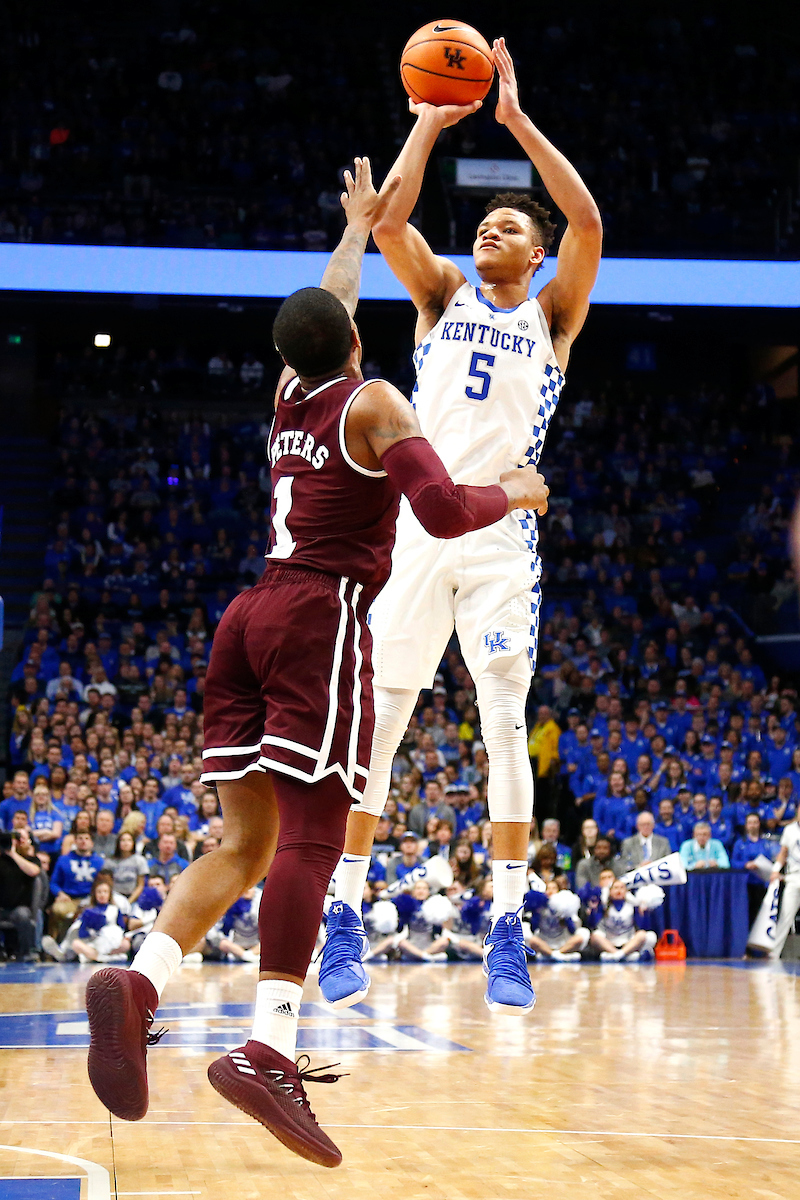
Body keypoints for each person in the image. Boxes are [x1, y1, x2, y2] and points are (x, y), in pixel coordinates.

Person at [83, 157, 549, 1168]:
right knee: (307, 840)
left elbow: (322, 305)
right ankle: (268, 1048)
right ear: (353, 341)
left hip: (243, 617)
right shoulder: (373, 401)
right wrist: (515, 493)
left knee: (242, 846)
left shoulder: (292, 394)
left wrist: (353, 230)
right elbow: (439, 509)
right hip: (318, 622)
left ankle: (144, 979)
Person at [323, 37, 601, 1018]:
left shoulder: (553, 316)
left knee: (499, 731)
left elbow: (587, 218)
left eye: (505, 226)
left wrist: (516, 121)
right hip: (410, 532)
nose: (490, 230)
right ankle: (346, 918)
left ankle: (507, 930)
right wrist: (427, 119)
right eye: (483, 222)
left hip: (494, 544)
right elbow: (390, 219)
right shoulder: (439, 296)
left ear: (533, 255)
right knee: (380, 730)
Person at [588, 878, 658, 962]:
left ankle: (617, 955)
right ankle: (622, 955)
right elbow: (592, 924)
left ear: (626, 891)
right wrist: (593, 910)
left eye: (622, 888)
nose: (619, 890)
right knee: (594, 936)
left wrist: (644, 913)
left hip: (628, 942)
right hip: (609, 942)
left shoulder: (632, 906)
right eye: (616, 888)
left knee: (643, 934)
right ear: (610, 891)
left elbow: (643, 927)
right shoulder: (604, 907)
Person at [0, 829, 42, 961]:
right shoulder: (2, 860)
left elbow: (34, 871)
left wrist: (13, 853)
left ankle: (27, 952)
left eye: (22, 839)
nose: (19, 841)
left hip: (18, 908)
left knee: (23, 915)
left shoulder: (32, 859)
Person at [768, 806, 800, 959]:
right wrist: (776, 870)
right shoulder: (789, 830)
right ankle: (775, 953)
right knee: (786, 915)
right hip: (793, 876)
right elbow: (783, 853)